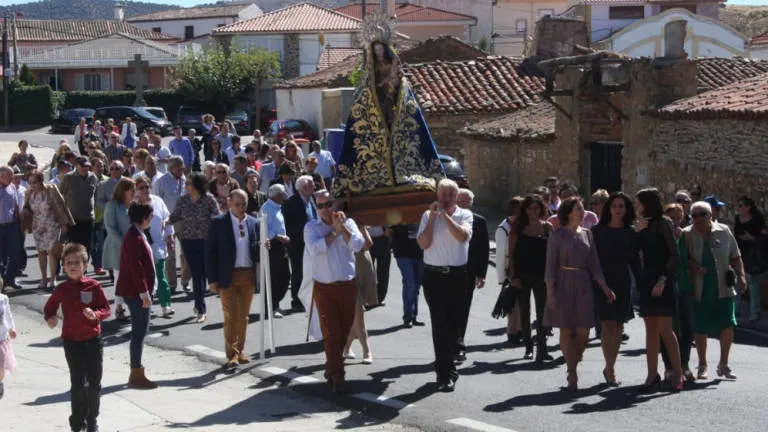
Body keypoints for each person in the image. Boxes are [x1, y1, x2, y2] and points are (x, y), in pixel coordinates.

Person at [544, 196, 612, 391]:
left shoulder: (588, 234)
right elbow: (550, 267)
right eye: (578, 208)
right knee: (566, 328)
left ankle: (575, 358)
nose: (582, 212)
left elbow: (595, 264)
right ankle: (572, 371)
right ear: (568, 212)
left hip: (583, 283)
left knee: (584, 330)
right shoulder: (557, 235)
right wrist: (550, 292)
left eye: (582, 208)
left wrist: (604, 286)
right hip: (563, 282)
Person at [44, 243, 111, 432]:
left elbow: (106, 309)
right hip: (72, 342)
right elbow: (50, 308)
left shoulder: (94, 286)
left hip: (93, 340)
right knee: (78, 384)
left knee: (95, 383)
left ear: (85, 265)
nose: (72, 266)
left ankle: (92, 421)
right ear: (63, 266)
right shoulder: (62, 289)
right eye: (68, 262)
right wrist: (50, 318)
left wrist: (96, 315)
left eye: (77, 262)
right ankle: (77, 422)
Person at [304, 190, 365, 395]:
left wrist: (343, 229)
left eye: (328, 204)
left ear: (334, 204)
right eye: (320, 206)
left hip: (347, 285)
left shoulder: (349, 223)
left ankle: (331, 367)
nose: (325, 209)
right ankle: (338, 376)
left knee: (345, 331)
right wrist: (334, 232)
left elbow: (358, 245)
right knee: (332, 333)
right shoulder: (311, 227)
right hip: (324, 287)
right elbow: (315, 248)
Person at [417, 179, 472, 392]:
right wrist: (432, 217)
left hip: (456, 276)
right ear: (437, 195)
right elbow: (424, 243)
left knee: (454, 325)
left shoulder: (464, 215)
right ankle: (445, 373)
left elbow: (462, 237)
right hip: (434, 277)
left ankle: (448, 364)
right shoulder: (427, 215)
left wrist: (446, 216)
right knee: (440, 326)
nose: (446, 198)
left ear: (456, 197)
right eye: (443, 194)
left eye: (450, 194)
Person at [684, 201, 746, 380]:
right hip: (700, 287)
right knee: (701, 326)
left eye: (700, 215)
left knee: (727, 324)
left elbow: (735, 256)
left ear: (710, 215)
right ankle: (702, 364)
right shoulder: (688, 234)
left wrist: (741, 276)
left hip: (723, 286)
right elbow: (682, 259)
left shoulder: (724, 231)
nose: (696, 219)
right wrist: (693, 266)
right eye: (693, 215)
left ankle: (724, 364)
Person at [635, 188, 683, 392]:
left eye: (639, 203)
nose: (636, 206)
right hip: (646, 281)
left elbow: (675, 254)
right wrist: (636, 231)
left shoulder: (663, 223)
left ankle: (678, 374)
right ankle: (651, 374)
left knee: (665, 329)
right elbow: (632, 251)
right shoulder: (641, 225)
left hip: (662, 280)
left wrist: (663, 280)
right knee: (651, 330)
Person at [207, 190, 260, 369]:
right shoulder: (218, 222)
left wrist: (264, 245)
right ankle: (232, 354)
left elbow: (257, 248)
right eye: (237, 204)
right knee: (231, 316)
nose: (241, 208)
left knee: (243, 317)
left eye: (244, 204)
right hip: (226, 275)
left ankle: (240, 350)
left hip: (248, 274)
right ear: (229, 203)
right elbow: (211, 253)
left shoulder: (254, 222)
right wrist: (212, 279)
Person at [592, 192, 639, 385]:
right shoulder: (597, 231)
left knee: (619, 325)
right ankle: (609, 368)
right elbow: (592, 260)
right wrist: (599, 283)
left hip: (622, 280)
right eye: (614, 206)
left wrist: (642, 283)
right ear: (608, 209)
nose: (618, 209)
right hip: (603, 280)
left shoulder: (631, 232)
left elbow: (635, 261)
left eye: (621, 206)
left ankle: (610, 365)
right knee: (607, 324)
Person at [116, 202, 157, 389]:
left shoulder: (137, 234)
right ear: (143, 218)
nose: (151, 220)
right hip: (136, 293)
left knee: (140, 332)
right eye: (150, 217)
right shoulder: (134, 237)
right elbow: (136, 267)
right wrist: (144, 293)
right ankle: (136, 372)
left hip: (138, 291)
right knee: (139, 332)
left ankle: (136, 370)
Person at [168, 173, 219, 323]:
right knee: (197, 275)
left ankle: (199, 305)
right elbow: (175, 215)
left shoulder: (208, 199)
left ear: (197, 185)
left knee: (205, 273)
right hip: (189, 241)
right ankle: (201, 309)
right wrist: (166, 221)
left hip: (206, 241)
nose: (186, 186)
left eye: (189, 183)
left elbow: (217, 217)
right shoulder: (183, 200)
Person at [508, 194, 553, 363]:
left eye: (536, 208)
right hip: (523, 275)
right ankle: (528, 347)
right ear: (524, 210)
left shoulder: (547, 227)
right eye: (530, 208)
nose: (533, 211)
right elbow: (511, 255)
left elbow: (553, 254)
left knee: (543, 314)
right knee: (524, 313)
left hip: (542, 276)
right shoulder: (518, 228)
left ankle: (543, 348)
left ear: (541, 209)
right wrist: (513, 276)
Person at [23, 170, 74, 290]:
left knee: (52, 251)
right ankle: (43, 278)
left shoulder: (50, 189)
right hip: (37, 225)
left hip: (52, 224)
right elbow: (27, 208)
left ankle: (53, 278)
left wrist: (63, 223)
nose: (32, 185)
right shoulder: (29, 193)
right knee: (41, 252)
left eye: (34, 182)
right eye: (30, 182)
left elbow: (60, 205)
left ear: (41, 181)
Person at [661, 203, 696, 382]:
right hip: (667, 287)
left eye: (678, 217)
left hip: (683, 286)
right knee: (669, 330)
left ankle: (685, 365)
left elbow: (688, 258)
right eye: (672, 218)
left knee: (688, 329)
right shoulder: (662, 236)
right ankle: (669, 367)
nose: (675, 221)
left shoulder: (685, 236)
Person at [455, 189, 489, 364]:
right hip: (449, 271)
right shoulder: (447, 219)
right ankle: (448, 344)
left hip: (468, 272)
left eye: (466, 201)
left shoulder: (479, 222)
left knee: (463, 309)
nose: (463, 203)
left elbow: (483, 250)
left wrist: (481, 274)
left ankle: (459, 344)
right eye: (460, 199)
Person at [134, 176, 175, 317]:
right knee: (145, 278)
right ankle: (146, 305)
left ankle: (166, 305)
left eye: (147, 187)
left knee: (161, 276)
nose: (145, 190)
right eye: (141, 188)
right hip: (141, 246)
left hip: (158, 245)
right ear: (136, 190)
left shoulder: (158, 201)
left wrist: (170, 236)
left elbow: (167, 217)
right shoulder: (134, 205)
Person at [153, 156, 190, 293]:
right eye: (180, 167)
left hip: (183, 220)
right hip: (167, 221)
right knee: (170, 253)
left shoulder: (184, 179)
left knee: (186, 252)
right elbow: (156, 202)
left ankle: (185, 280)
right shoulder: (161, 182)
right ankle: (172, 283)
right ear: (173, 168)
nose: (183, 169)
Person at [343, 223, 378, 364]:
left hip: (364, 270)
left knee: (355, 318)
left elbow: (368, 244)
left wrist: (362, 227)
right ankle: (367, 350)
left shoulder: (357, 224)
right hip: (351, 272)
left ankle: (346, 347)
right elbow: (365, 244)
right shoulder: (344, 225)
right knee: (359, 313)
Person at [283, 175, 317, 312]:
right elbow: (288, 225)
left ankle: (310, 298)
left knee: (311, 272)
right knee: (298, 272)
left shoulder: (312, 200)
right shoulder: (291, 203)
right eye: (311, 185)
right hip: (298, 244)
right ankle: (297, 301)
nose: (314, 187)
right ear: (303, 188)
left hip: (312, 243)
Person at [103, 178, 135, 319]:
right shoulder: (112, 205)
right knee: (120, 277)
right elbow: (110, 228)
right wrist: (124, 243)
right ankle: (119, 307)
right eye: (131, 190)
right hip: (117, 247)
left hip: (133, 246)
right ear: (123, 191)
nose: (134, 193)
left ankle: (134, 305)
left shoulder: (133, 206)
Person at [734, 196, 767, 322]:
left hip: (752, 254)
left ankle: (755, 312)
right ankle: (735, 309)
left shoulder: (757, 220)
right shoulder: (738, 219)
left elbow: (763, 236)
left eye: (741, 205)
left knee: (752, 282)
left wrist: (751, 238)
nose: (739, 208)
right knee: (737, 282)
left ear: (748, 207)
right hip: (739, 252)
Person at [58, 157, 99, 261]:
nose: (85, 168)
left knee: (87, 246)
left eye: (87, 166)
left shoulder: (93, 177)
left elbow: (96, 195)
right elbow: (59, 194)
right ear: (77, 166)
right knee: (74, 247)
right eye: (83, 166)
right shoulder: (68, 177)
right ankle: (71, 267)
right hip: (72, 219)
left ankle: (83, 269)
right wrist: (62, 217)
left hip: (88, 218)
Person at [496, 196, 524, 344]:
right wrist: (501, 277)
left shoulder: (523, 225)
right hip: (509, 268)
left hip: (523, 267)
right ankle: (511, 331)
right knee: (512, 302)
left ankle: (520, 329)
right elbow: (500, 254)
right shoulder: (503, 228)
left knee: (521, 302)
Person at [260, 185, 291, 316]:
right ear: (276, 195)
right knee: (274, 278)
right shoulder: (266, 208)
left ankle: (275, 303)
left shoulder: (277, 207)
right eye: (283, 194)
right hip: (273, 245)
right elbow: (262, 227)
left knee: (284, 276)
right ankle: (271, 308)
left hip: (281, 245)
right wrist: (278, 237)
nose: (285, 196)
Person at [391, 223, 423, 328]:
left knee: (416, 285)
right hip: (403, 253)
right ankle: (408, 317)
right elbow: (388, 231)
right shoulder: (400, 211)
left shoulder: (425, 212)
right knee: (410, 283)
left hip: (420, 253)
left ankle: (413, 315)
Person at [0, 168, 22, 292]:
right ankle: (1, 283)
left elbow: (15, 206)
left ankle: (10, 279)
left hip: (11, 226)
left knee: (15, 255)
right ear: (2, 176)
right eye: (10, 176)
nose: (13, 179)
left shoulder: (12, 187)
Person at [0, 288, 17, 400]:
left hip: (1, 338)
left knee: (1, 366)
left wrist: (12, 328)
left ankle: (0, 383)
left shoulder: (3, 299)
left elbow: (8, 315)